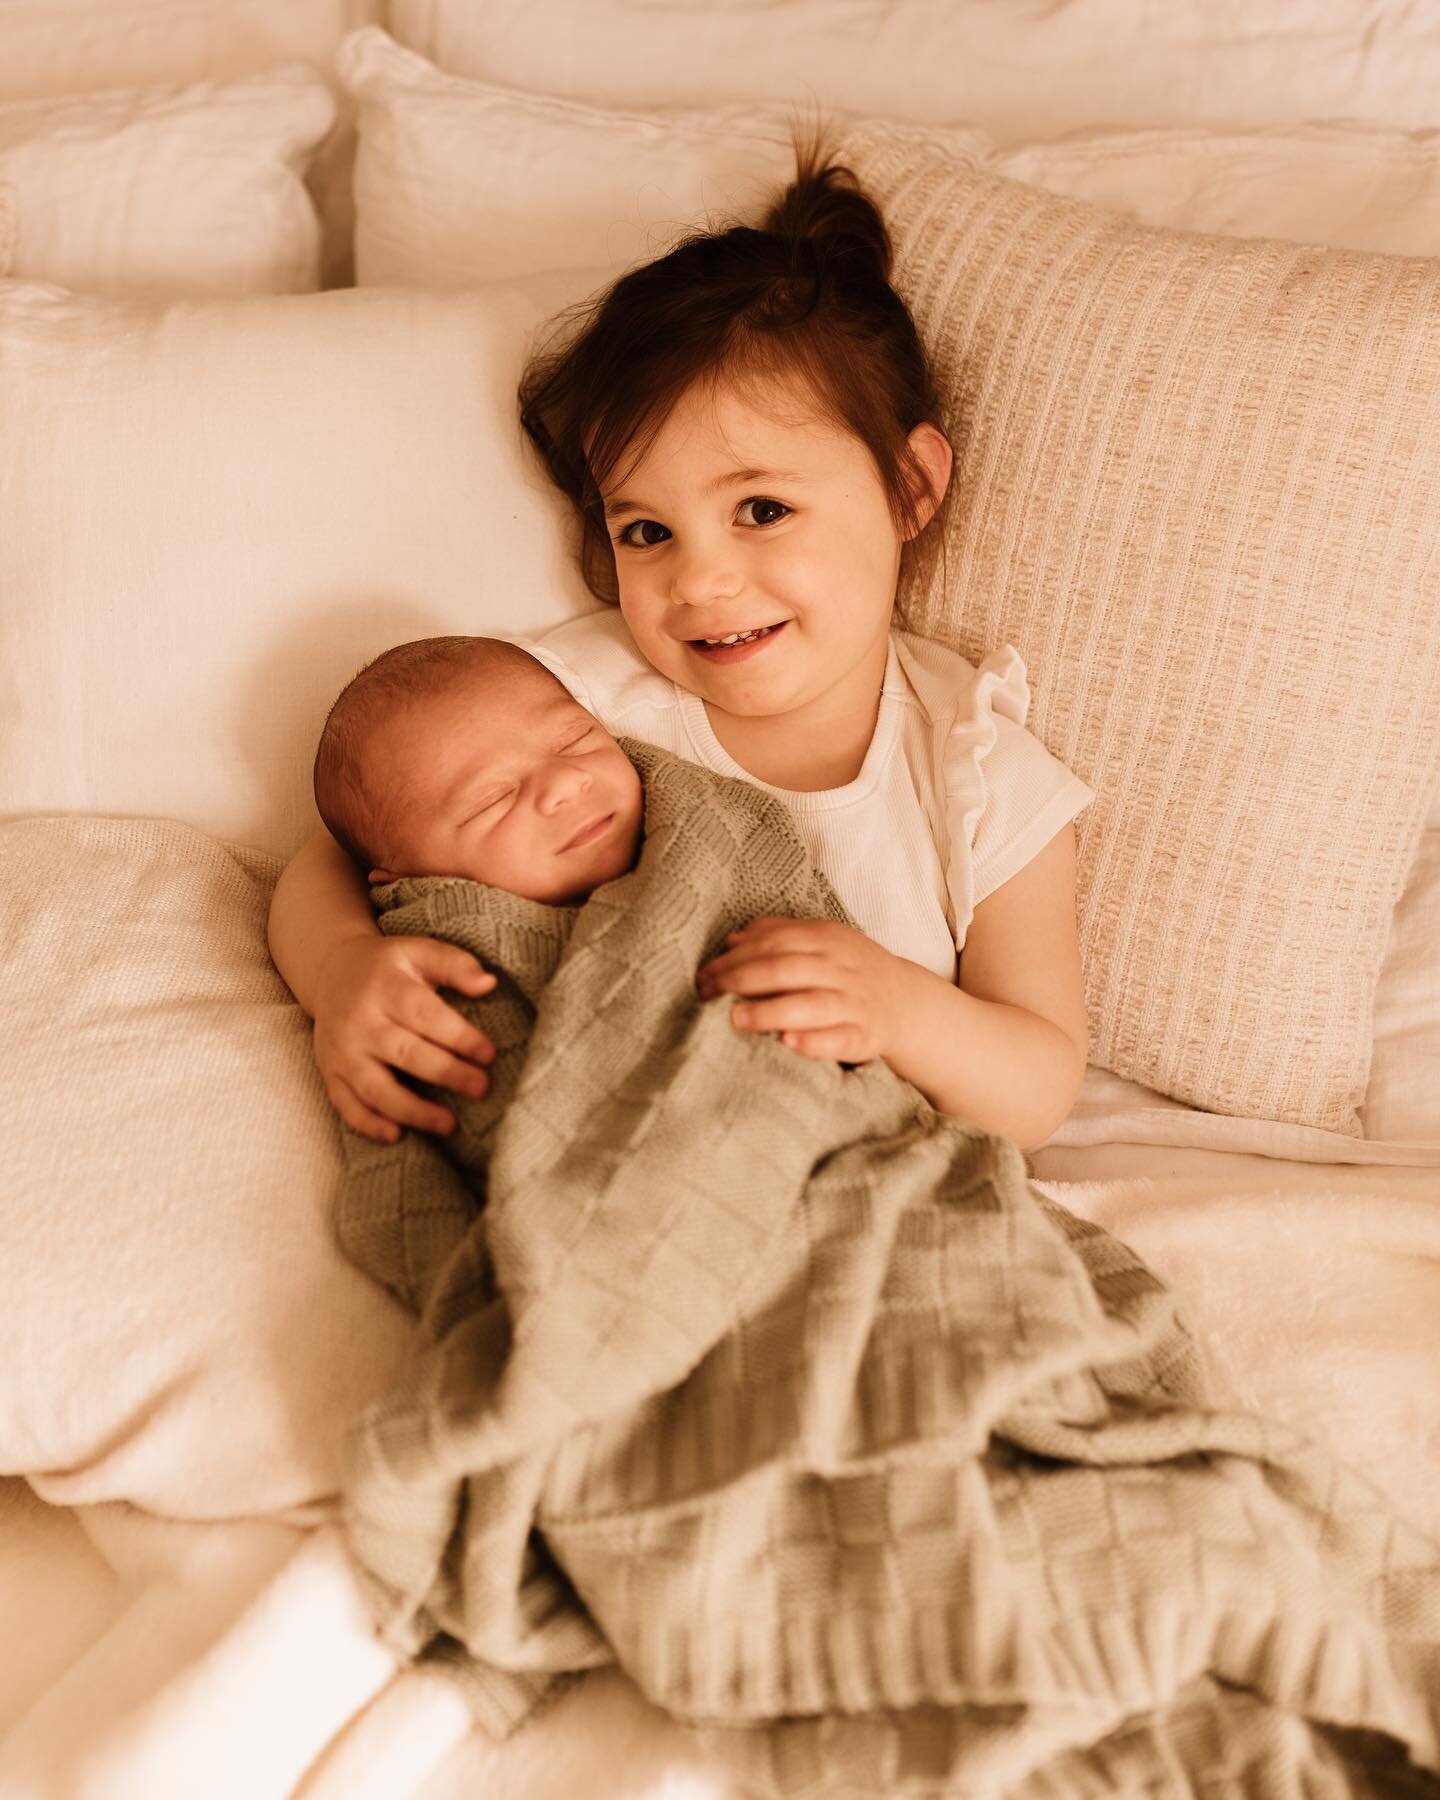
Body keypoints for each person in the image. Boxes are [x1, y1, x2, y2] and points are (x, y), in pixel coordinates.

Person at [268, 128, 1096, 1154]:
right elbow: (340, 850)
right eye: (647, 532)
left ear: (910, 487)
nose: (697, 583)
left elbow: (1042, 1080)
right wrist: (343, 969)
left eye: (761, 509)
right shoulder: (581, 702)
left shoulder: (975, 777)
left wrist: (897, 1008)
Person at [311, 634, 645, 906]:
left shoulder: (678, 800)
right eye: (492, 799)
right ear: (415, 882)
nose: (564, 781)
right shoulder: (442, 948)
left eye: (573, 739)